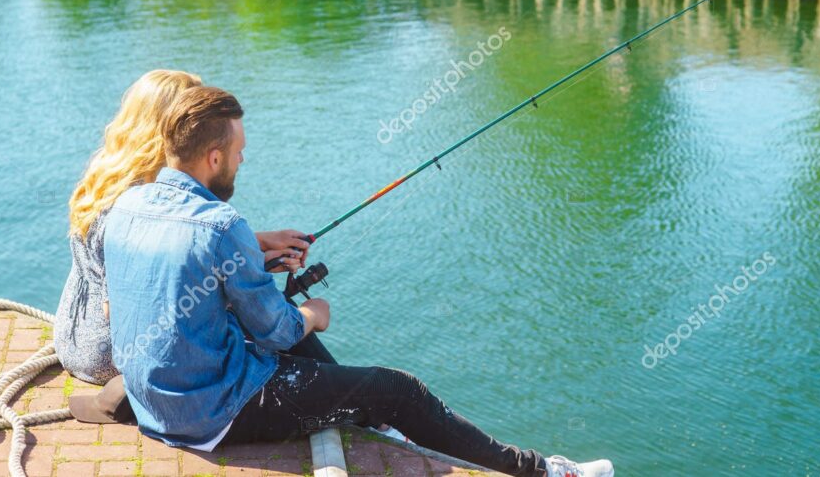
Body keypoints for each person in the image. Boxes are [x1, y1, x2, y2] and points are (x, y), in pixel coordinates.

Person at [102, 85, 614, 477]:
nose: (242, 159)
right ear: (213, 158)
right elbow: (278, 332)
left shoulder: (127, 202)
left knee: (341, 380)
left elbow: (176, 286)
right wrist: (313, 315)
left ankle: (379, 421)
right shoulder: (222, 225)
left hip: (158, 399)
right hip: (210, 415)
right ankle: (541, 469)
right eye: (238, 151)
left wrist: (250, 270)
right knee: (399, 387)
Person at [54, 70, 321, 386]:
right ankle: (345, 404)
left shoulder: (106, 177)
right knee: (264, 315)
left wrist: (254, 244)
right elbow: (126, 306)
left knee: (254, 303)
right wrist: (239, 273)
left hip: (72, 334)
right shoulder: (133, 203)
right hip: (110, 354)